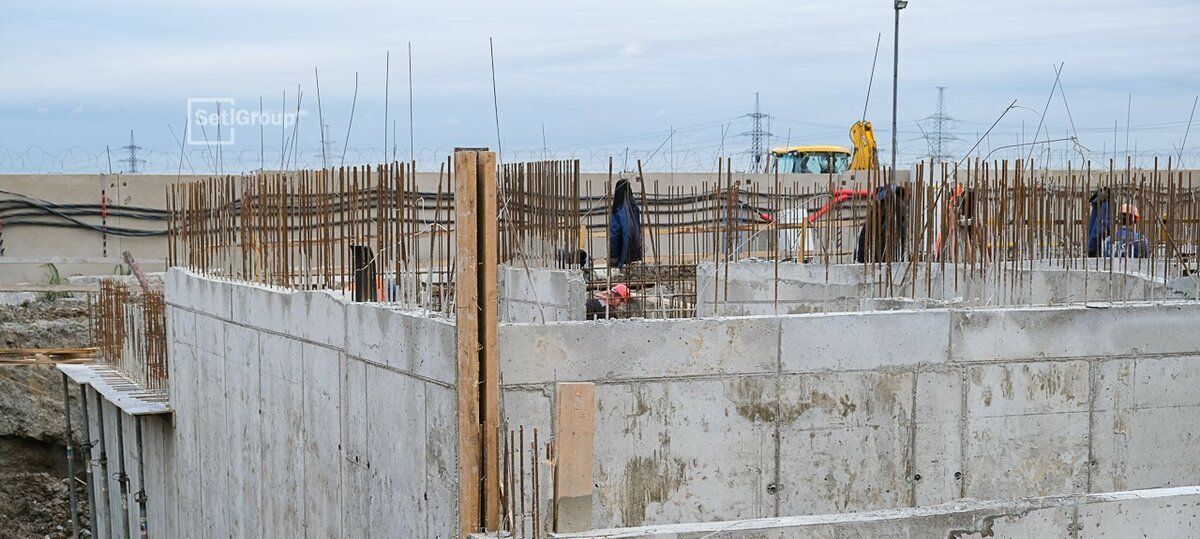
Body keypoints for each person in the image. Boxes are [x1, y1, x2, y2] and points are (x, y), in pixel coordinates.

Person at [608, 179, 644, 268]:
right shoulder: (632, 207)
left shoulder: (619, 208)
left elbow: (615, 233)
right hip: (635, 251)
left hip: (625, 253)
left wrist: (613, 257)